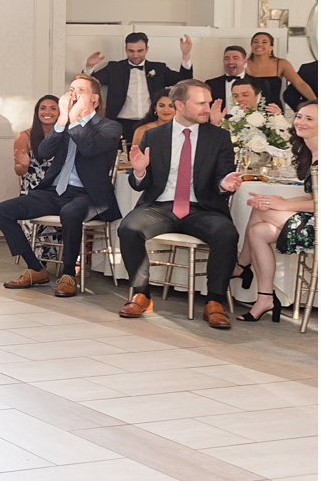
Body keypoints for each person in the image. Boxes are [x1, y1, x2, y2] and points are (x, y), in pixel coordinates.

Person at [118, 80, 243, 329]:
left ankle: (214, 300)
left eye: (208, 102)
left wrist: (224, 184)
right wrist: (140, 172)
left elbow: (223, 176)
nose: (207, 108)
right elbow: (138, 184)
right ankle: (141, 293)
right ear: (179, 105)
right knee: (128, 229)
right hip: (161, 206)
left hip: (202, 208)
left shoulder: (219, 137)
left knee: (226, 233)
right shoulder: (153, 136)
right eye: (201, 103)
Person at [0, 74, 121, 298]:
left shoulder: (109, 127)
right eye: (71, 89)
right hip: (55, 191)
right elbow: (43, 153)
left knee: (70, 213)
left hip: (87, 195)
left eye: (80, 90)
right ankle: (36, 268)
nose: (73, 94)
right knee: (2, 211)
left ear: (95, 100)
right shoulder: (63, 124)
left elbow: (90, 149)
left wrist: (75, 119)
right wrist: (62, 121)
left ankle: (68, 274)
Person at [232, 102, 316, 322]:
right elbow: (311, 197)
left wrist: (282, 204)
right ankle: (265, 297)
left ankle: (241, 265)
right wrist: (277, 201)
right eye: (299, 116)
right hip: (311, 217)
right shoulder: (309, 152)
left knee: (262, 212)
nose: (300, 122)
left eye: (310, 119)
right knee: (259, 230)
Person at [83, 31, 192, 145]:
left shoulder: (159, 68)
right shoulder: (114, 68)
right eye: (131, 51)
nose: (135, 55)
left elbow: (184, 82)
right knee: (122, 159)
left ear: (147, 49)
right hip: (120, 123)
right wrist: (89, 66)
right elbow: (90, 85)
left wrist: (186, 55)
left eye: (140, 51)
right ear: (126, 49)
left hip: (152, 122)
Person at [245, 31, 314, 111]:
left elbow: (300, 84)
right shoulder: (243, 64)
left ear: (271, 47)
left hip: (274, 111)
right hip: (248, 110)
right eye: (255, 42)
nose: (259, 44)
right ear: (251, 45)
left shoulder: (281, 63)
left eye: (264, 42)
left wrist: (315, 102)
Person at [13, 95, 60, 192]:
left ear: (60, 113)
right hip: (33, 192)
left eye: (53, 109)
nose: (47, 112)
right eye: (43, 108)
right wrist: (23, 166)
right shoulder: (24, 136)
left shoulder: (66, 136)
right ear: (37, 112)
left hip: (58, 192)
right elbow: (18, 171)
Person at [204, 44, 248, 110]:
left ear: (244, 61)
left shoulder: (257, 83)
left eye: (235, 58)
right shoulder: (211, 84)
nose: (230, 62)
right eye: (226, 58)